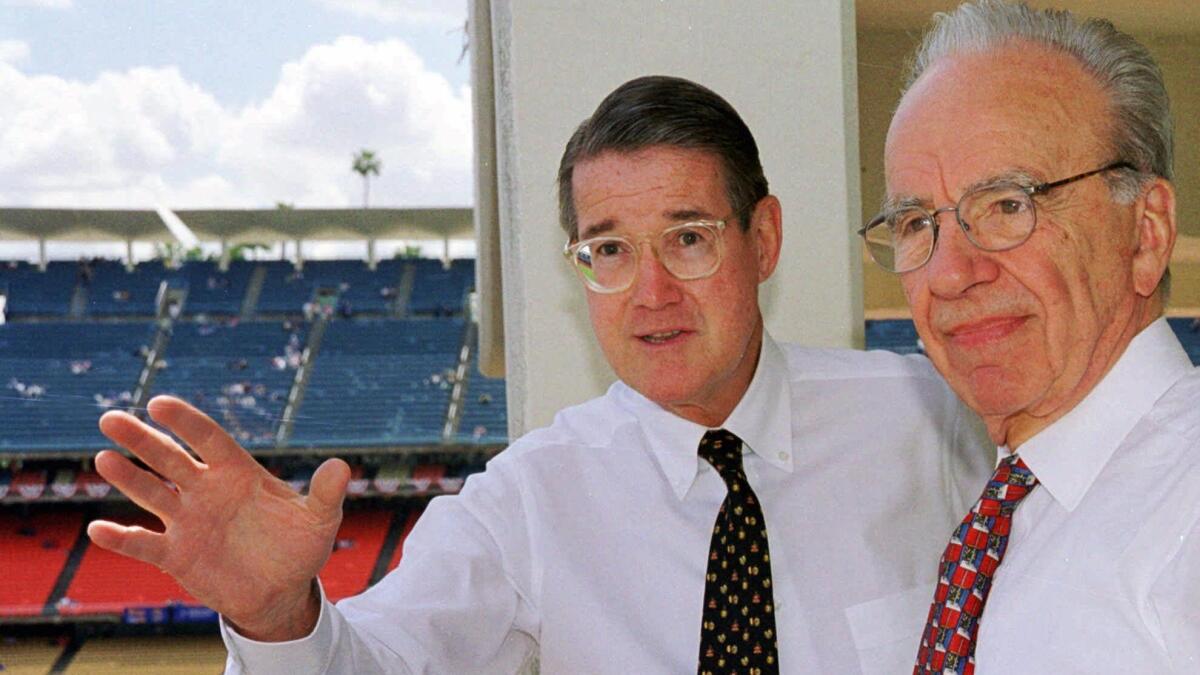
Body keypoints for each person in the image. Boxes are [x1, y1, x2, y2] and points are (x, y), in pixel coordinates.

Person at [87, 75, 993, 673]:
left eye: (687, 238)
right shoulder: (528, 499)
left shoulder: (932, 417)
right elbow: (381, 662)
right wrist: (279, 614)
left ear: (763, 240)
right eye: (608, 249)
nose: (649, 293)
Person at [858, 2, 1200, 671]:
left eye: (1009, 206)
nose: (951, 273)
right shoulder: (1001, 516)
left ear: (1147, 232)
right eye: (915, 223)